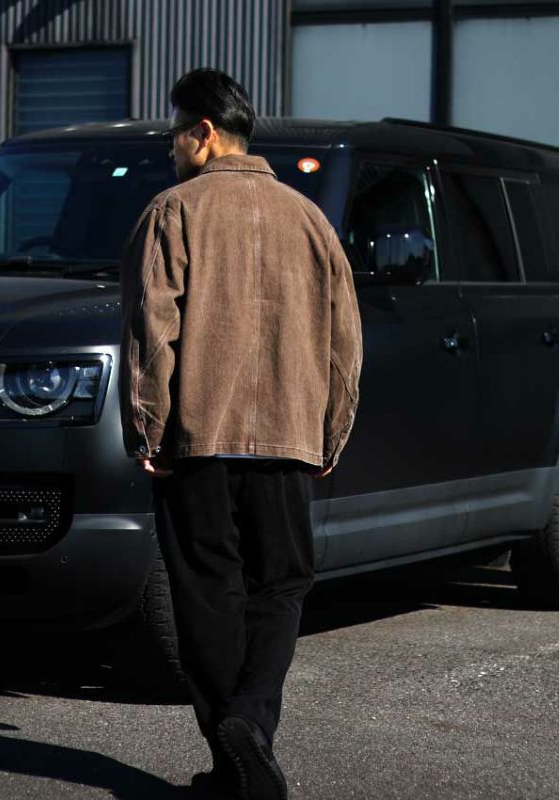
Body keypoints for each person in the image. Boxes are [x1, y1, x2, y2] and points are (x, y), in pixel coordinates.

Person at [119, 67, 363, 800]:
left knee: (207, 592)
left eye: (174, 134)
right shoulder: (310, 220)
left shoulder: (173, 211)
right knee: (281, 585)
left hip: (199, 439)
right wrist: (330, 432)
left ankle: (236, 736)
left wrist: (149, 428)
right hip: (289, 441)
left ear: (204, 132)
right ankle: (249, 736)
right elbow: (344, 345)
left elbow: (152, 332)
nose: (170, 148)